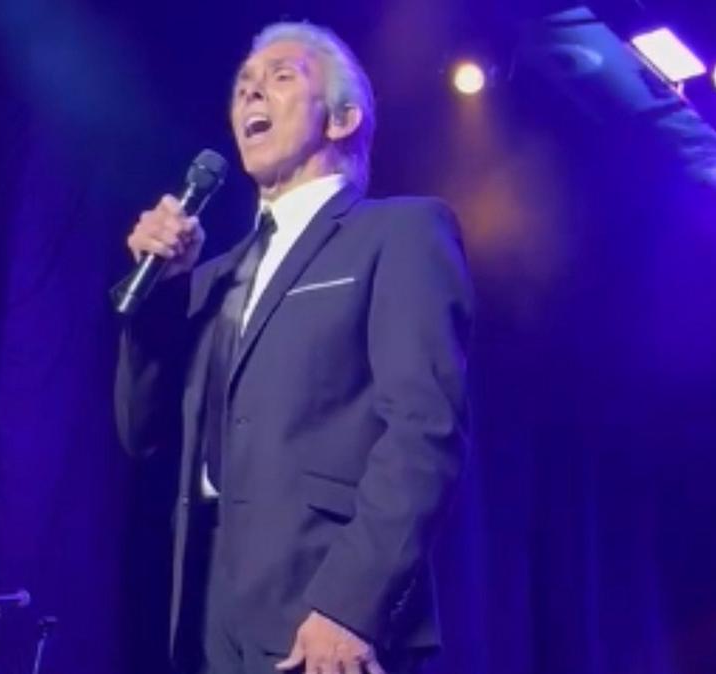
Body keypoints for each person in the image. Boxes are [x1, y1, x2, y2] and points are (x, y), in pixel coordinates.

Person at [115, 21, 473, 674]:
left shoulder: (398, 233)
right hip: (205, 610)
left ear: (341, 118)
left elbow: (424, 429)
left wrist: (351, 605)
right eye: (243, 86)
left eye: (280, 77)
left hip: (323, 605)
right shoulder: (213, 277)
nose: (251, 92)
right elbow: (142, 432)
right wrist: (161, 293)